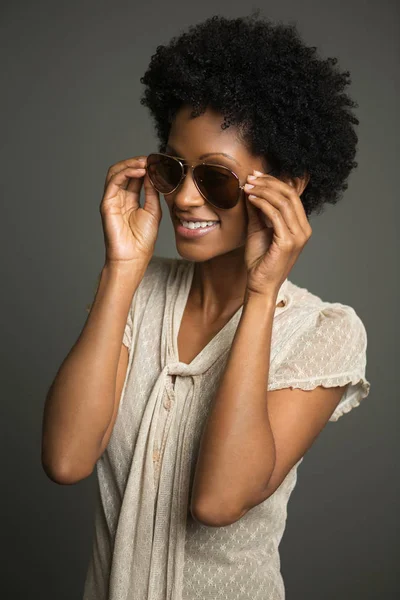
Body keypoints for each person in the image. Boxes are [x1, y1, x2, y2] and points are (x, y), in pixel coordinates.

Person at [41, 10, 371, 600]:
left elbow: (219, 500)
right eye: (173, 169)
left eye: (216, 178)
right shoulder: (135, 296)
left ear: (288, 185)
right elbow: (66, 459)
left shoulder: (324, 332)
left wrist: (262, 293)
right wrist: (122, 270)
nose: (185, 198)